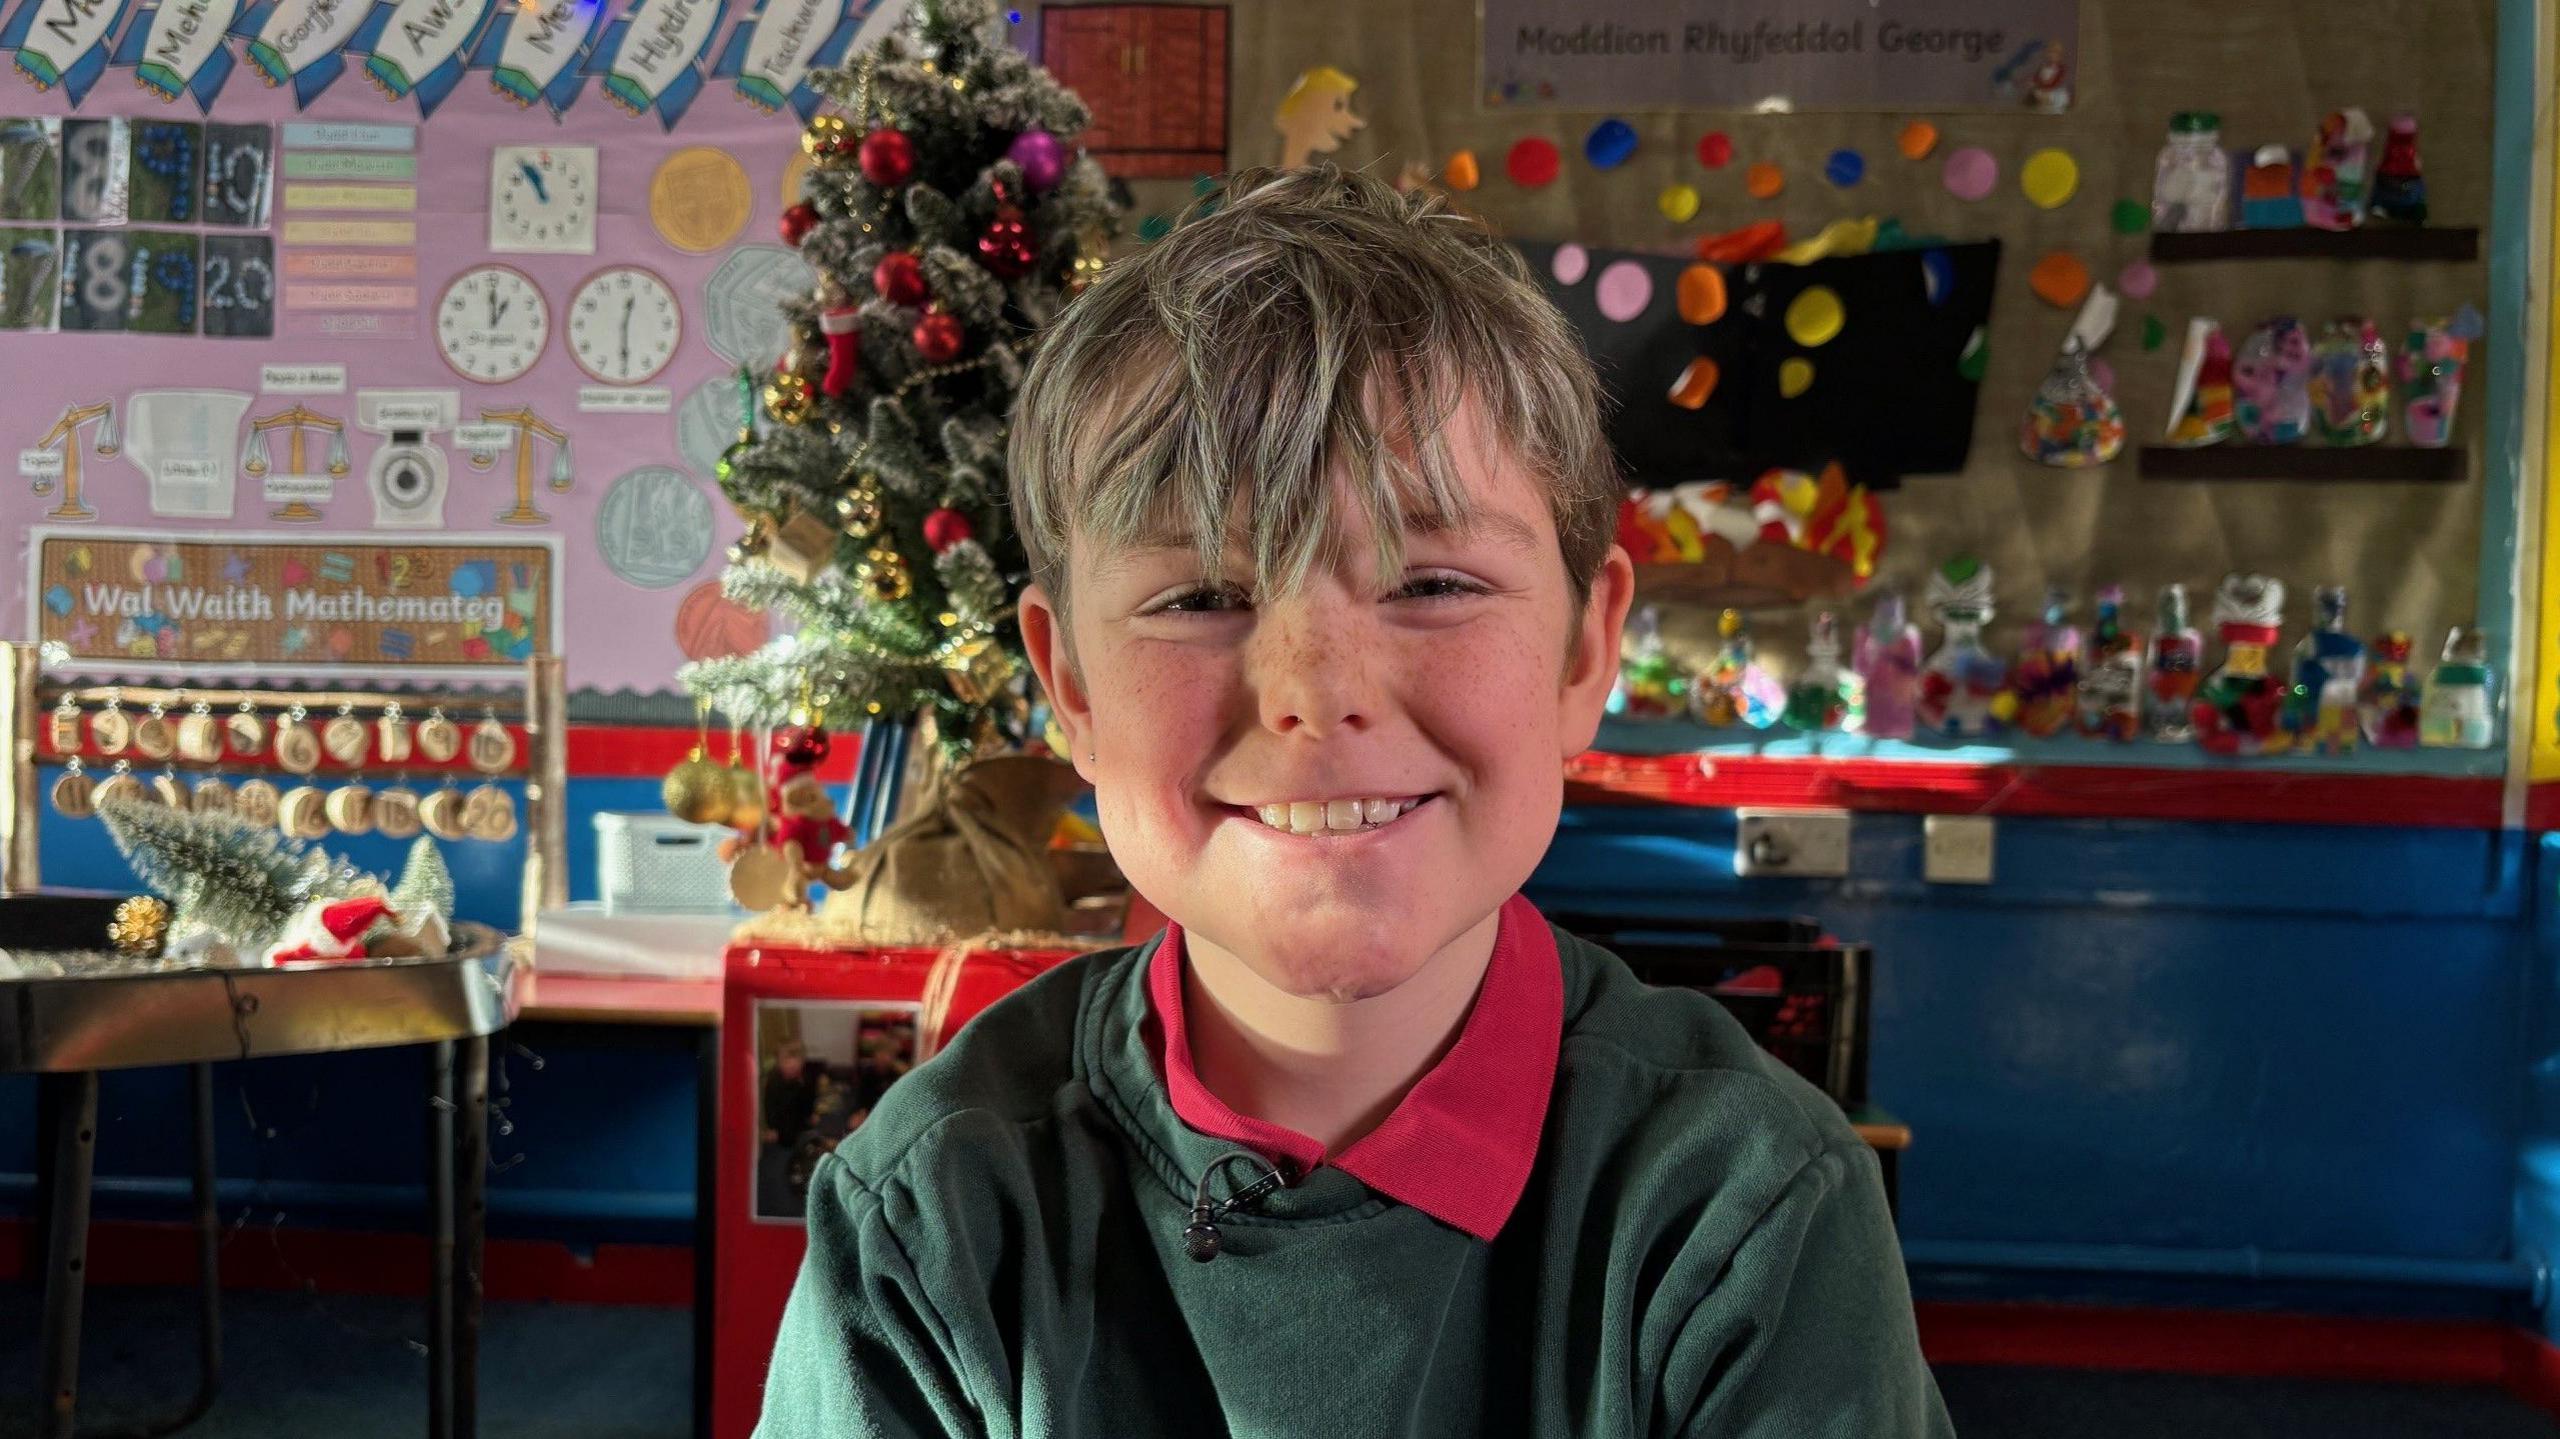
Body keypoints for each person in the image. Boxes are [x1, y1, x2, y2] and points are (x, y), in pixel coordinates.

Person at [757, 165, 1953, 1437]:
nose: (1316, 694)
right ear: (1071, 683)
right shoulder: (933, 1206)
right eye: (1199, 596)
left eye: (1434, 582)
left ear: (1583, 651)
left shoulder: (1748, 1213)